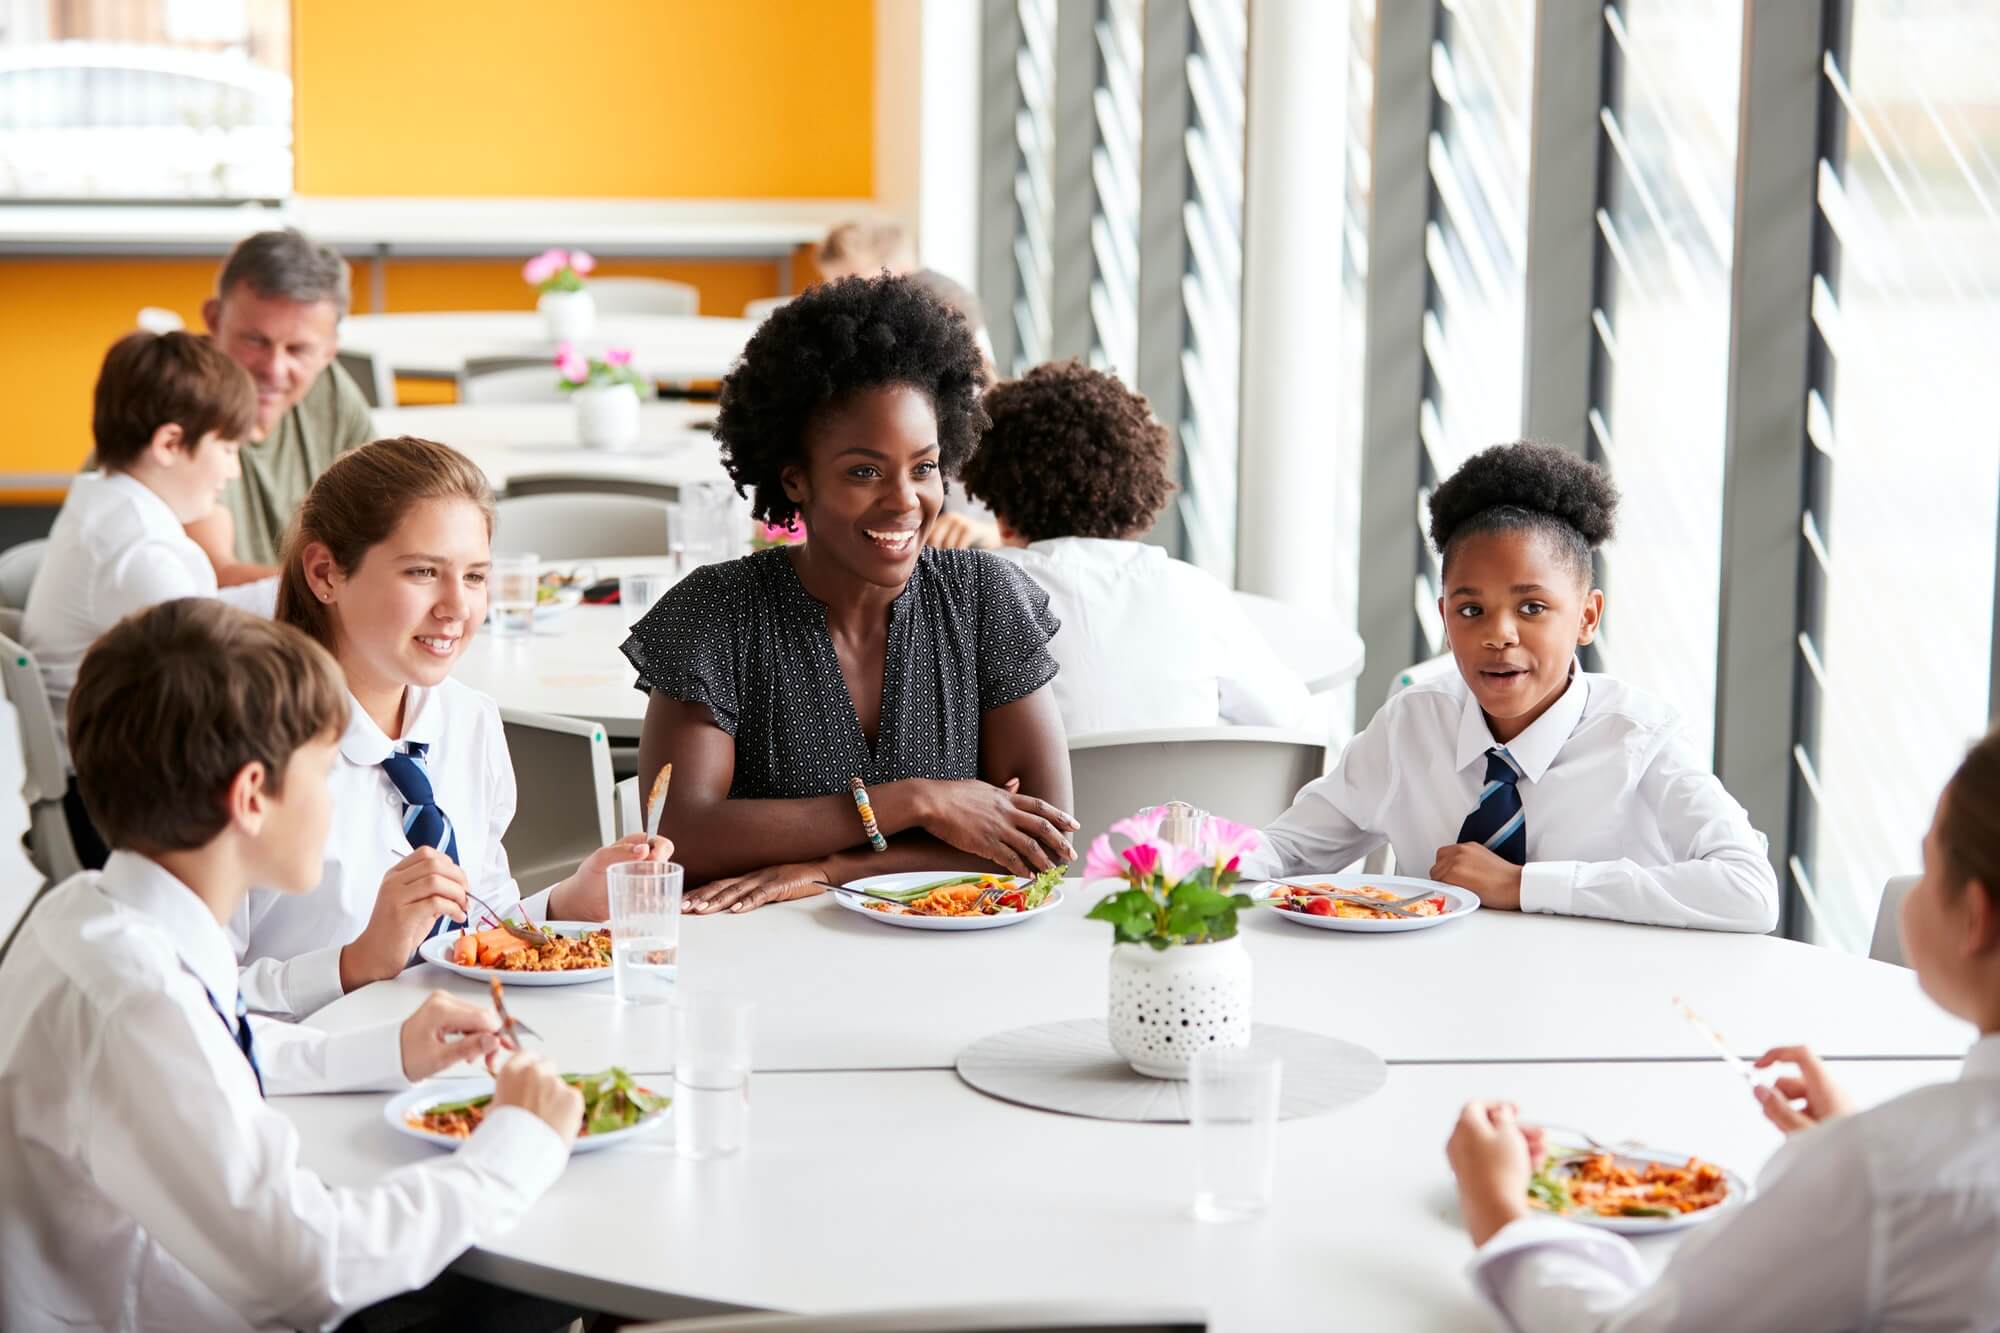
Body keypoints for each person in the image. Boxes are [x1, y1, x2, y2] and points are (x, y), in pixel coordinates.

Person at [0, 598, 588, 1330]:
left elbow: (220, 1044)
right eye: (323, 770)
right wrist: (515, 1146)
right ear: (252, 796)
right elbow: (312, 1270)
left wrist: (386, 1049)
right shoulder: (137, 998)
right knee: (534, 1284)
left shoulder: (91, 912)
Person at [1447, 725, 2000, 1328]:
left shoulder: (1885, 1173)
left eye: (1927, 861)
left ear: (1974, 918)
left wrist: (1500, 1213)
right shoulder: (1892, 1169)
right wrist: (1844, 1154)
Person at [622, 273, 1078, 914]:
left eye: (923, 468)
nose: (904, 501)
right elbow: (679, 836)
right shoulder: (718, 612)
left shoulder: (987, 600)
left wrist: (828, 868)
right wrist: (917, 802)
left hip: (959, 972)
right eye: (864, 472)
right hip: (760, 971)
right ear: (795, 478)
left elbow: (1043, 842)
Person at [1238, 442, 1778, 932]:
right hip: (1428, 1004)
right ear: (1445, 618)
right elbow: (1291, 849)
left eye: (1532, 608)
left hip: (1598, 1009)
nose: (1499, 634)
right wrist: (1189, 853)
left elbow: (1749, 889)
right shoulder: (1413, 723)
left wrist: (1525, 886)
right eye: (1471, 610)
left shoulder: (1639, 740)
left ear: (1587, 617)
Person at [232, 436, 669, 1018]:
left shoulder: (467, 719)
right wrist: (352, 965)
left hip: (449, 1053)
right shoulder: (240, 744)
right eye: (422, 572)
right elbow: (188, 999)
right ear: (325, 574)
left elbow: (472, 932)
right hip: (302, 1077)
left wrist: (564, 906)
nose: (456, 608)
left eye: (474, 577)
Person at [22, 330, 276, 869]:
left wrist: (292, 590)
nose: (232, 470)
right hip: (112, 808)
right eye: (227, 449)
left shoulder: (106, 500)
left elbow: (208, 612)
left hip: (93, 780)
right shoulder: (140, 551)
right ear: (168, 445)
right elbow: (217, 668)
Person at [961, 359, 1312, 736]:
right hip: (1177, 795)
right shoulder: (1194, 592)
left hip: (1035, 796)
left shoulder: (973, 594)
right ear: (1137, 491)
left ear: (1001, 510)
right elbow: (1295, 723)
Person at [189, 227, 375, 583]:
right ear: (213, 320)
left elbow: (382, 531)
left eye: (298, 350)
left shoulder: (331, 391)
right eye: (256, 341)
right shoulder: (177, 397)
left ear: (329, 349)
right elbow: (210, 581)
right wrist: (348, 592)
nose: (275, 369)